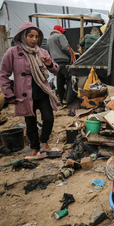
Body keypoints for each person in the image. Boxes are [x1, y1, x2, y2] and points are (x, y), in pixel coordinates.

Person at [0, 21, 59, 157]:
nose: (34, 39)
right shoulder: (12, 52)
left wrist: (50, 64)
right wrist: (8, 94)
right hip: (25, 95)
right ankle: (34, 147)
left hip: (42, 92)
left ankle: (44, 142)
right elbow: (3, 74)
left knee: (49, 119)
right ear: (23, 36)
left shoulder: (42, 51)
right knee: (30, 124)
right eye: (30, 36)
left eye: (36, 36)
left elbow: (55, 69)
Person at [47, 25, 71, 104]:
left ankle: (61, 100)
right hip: (64, 61)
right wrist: (70, 54)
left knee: (60, 82)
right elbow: (65, 47)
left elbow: (49, 52)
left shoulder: (49, 39)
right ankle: (68, 99)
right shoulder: (60, 36)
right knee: (69, 81)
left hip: (55, 63)